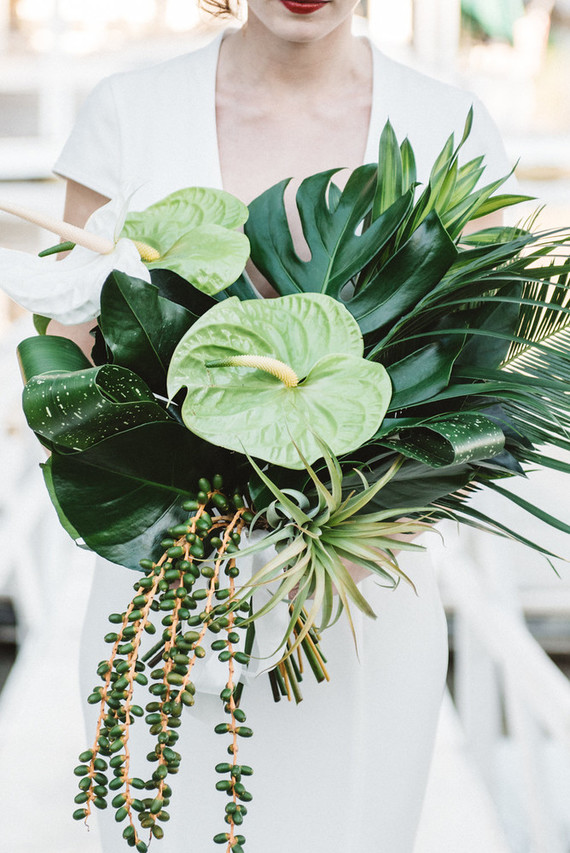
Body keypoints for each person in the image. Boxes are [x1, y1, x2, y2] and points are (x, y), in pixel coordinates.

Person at [51, 2, 514, 850]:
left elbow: (489, 377)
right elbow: (71, 362)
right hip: (167, 604)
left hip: (359, 600)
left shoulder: (450, 125)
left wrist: (338, 515)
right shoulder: (130, 112)